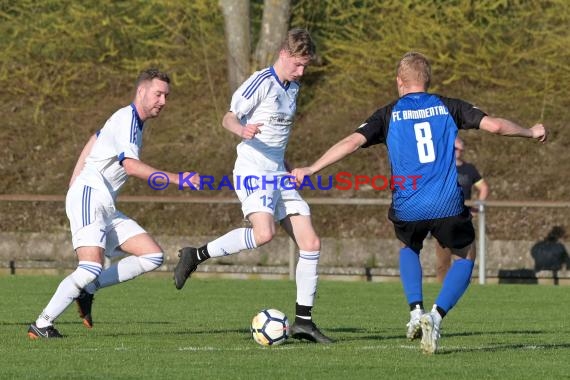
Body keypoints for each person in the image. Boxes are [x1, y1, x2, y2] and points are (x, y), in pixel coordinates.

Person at [291, 51, 547, 354]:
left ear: (400, 82)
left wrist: (311, 169)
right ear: (428, 80)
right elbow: (496, 126)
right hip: (447, 203)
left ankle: (415, 312)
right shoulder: (449, 106)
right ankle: (435, 317)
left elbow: (351, 143)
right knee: (464, 256)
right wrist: (530, 131)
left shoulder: (388, 113)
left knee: (409, 247)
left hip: (408, 204)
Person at [173, 28, 333, 344]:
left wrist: (286, 166)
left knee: (311, 243)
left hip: (277, 171)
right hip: (253, 169)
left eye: (305, 66)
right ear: (284, 54)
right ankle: (196, 254)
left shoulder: (293, 88)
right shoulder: (261, 82)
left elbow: (278, 137)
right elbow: (227, 117)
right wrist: (242, 129)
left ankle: (303, 322)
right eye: (298, 64)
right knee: (264, 234)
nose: (302, 72)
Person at [27, 68, 200, 339]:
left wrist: (74, 178)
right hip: (90, 197)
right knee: (90, 266)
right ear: (141, 91)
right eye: (158, 94)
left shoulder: (129, 121)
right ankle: (43, 323)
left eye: (166, 96)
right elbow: (130, 166)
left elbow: (95, 138)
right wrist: (178, 179)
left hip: (103, 203)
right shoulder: (127, 119)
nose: (163, 101)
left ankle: (88, 289)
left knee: (152, 255)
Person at [434, 136, 489, 282]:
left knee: (465, 260)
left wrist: (477, 207)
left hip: (464, 219)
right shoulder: (440, 167)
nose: (457, 151)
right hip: (444, 219)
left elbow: (483, 188)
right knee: (442, 262)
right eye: (454, 148)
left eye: (460, 148)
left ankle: (462, 288)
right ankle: (441, 293)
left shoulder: (469, 169)